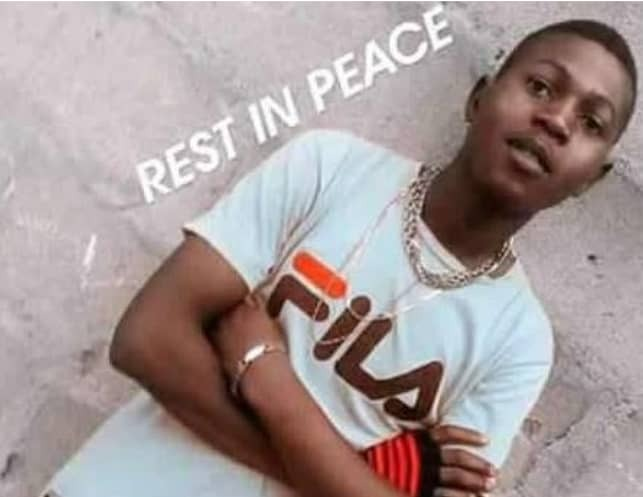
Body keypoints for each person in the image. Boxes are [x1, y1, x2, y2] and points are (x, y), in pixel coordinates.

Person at [41, 19, 637, 497]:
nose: (556, 120)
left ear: (591, 178)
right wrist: (345, 478)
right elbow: (146, 340)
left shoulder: (517, 340)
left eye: (591, 121)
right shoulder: (330, 169)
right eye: (540, 87)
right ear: (479, 98)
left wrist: (266, 375)